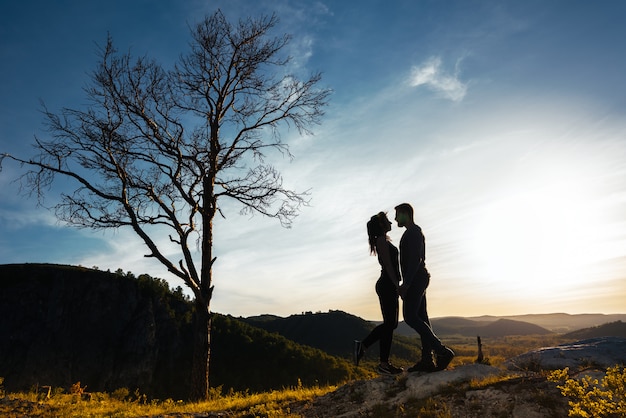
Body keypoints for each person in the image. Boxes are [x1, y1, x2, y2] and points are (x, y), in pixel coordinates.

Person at [394, 203, 454, 372]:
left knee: (410, 317)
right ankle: (427, 359)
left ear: (406, 214)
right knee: (422, 317)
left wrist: (406, 284)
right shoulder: (414, 232)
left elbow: (415, 260)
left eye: (398, 214)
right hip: (419, 278)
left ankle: (442, 351)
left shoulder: (413, 233)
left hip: (416, 279)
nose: (395, 218)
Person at [353, 212, 404, 375]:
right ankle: (372, 353)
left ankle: (381, 361)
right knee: (390, 324)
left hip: (388, 284)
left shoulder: (383, 240)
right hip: (387, 284)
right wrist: (397, 285)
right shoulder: (381, 240)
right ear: (382, 225)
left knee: (391, 324)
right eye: (387, 221)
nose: (391, 222)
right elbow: (388, 265)